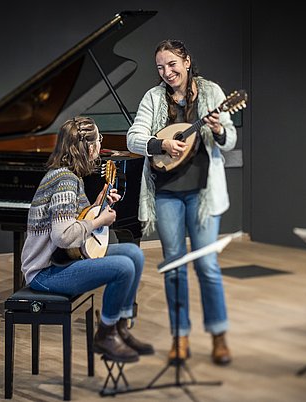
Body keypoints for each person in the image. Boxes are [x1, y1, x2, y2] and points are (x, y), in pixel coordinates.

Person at [127, 39, 236, 365]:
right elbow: (134, 137)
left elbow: (229, 140)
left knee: (207, 266)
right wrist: (161, 144)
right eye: (160, 67)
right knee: (174, 267)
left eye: (172, 64)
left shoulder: (212, 92)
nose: (167, 72)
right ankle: (180, 337)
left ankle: (218, 335)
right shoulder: (153, 97)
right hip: (167, 194)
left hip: (203, 194)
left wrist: (218, 130)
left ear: (186, 61)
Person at [21, 116, 154, 363]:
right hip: (45, 273)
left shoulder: (71, 177)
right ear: (89, 147)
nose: (101, 144)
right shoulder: (64, 181)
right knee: (123, 267)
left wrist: (98, 206)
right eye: (99, 140)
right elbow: (63, 236)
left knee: (134, 254)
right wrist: (99, 221)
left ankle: (120, 328)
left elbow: (78, 221)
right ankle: (106, 333)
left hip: (63, 262)